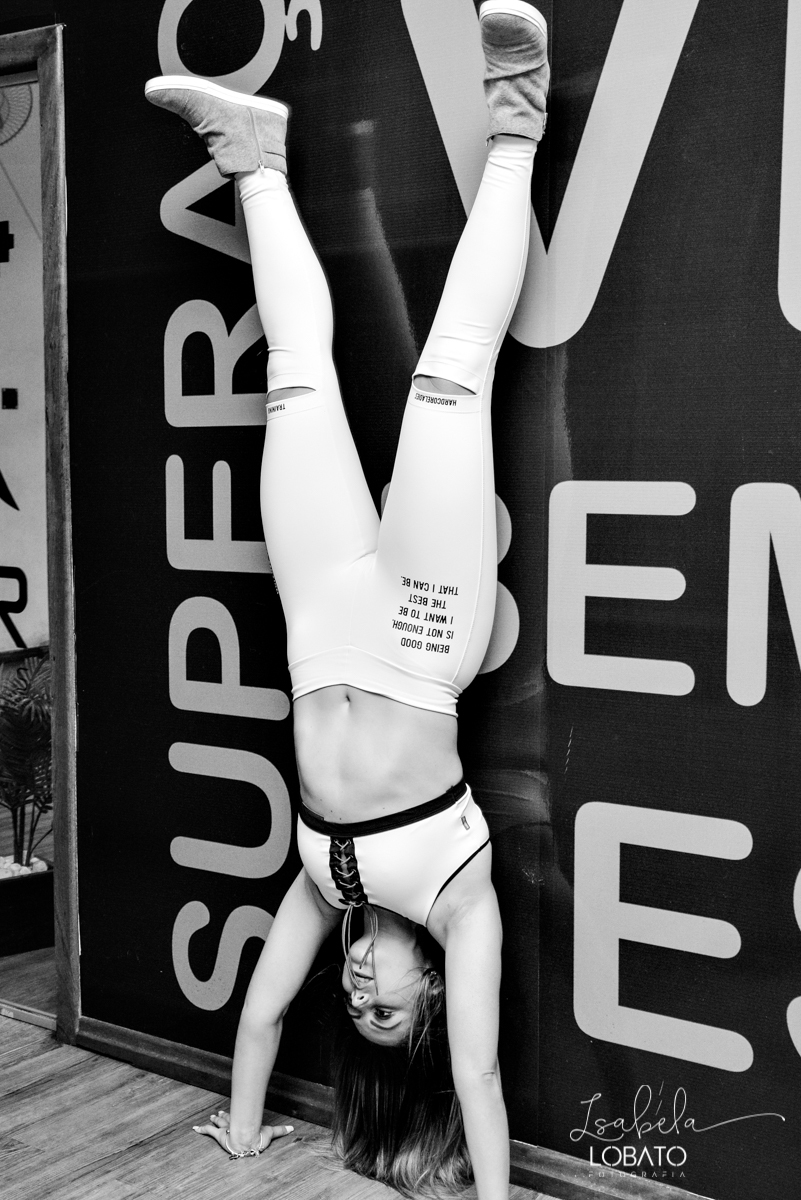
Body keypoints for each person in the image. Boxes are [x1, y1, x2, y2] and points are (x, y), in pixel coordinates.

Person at [145, 3, 548, 1196]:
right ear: (432, 996)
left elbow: (263, 1016)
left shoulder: (323, 885)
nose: (367, 990)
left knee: (295, 379)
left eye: (357, 1006)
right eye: (391, 1010)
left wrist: (245, 1129)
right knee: (448, 378)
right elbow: (478, 1078)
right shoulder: (461, 903)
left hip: (320, 626)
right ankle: (518, 121)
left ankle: (253, 163)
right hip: (423, 641)